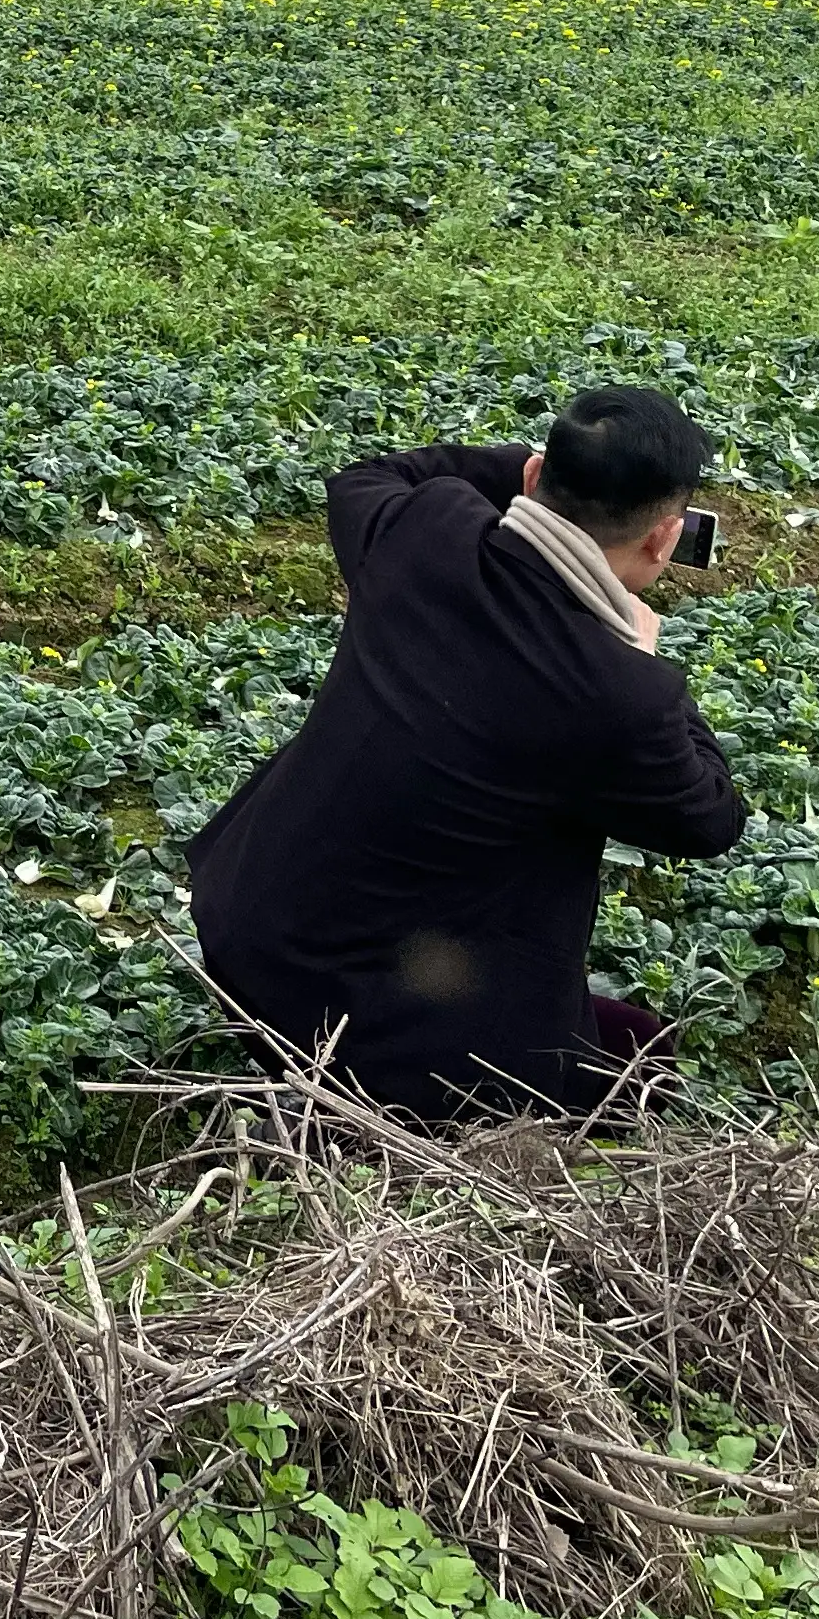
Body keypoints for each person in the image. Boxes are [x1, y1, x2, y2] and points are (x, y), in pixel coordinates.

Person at [185, 384, 747, 1125]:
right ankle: (370, 1130)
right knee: (644, 1058)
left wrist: (546, 476)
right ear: (663, 540)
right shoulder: (617, 692)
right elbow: (711, 818)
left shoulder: (427, 533)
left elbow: (368, 474)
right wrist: (644, 658)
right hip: (364, 1026)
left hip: (246, 936)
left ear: (534, 476)